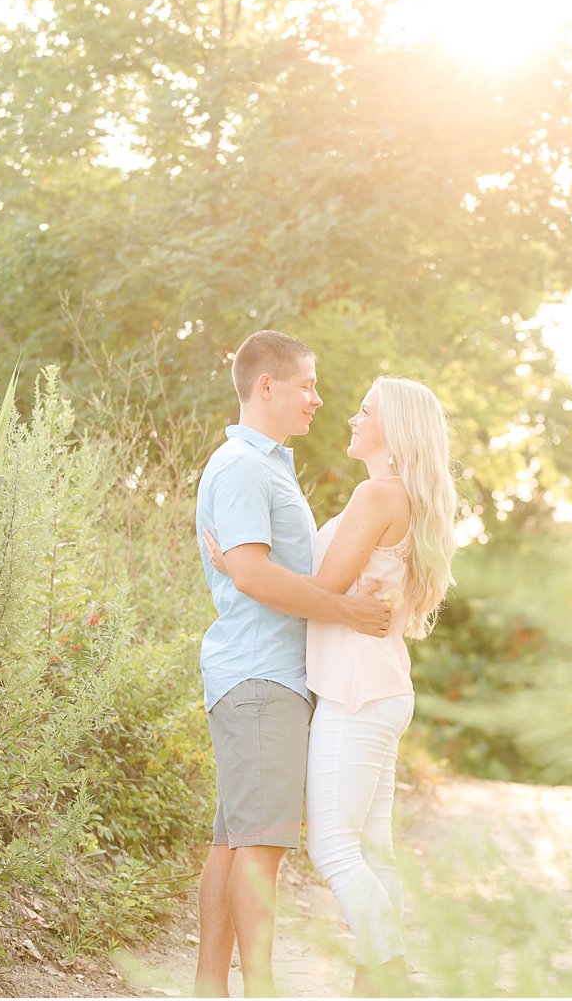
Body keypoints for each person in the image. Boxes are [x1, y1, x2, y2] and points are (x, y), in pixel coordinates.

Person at [209, 376, 458, 996]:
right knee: (373, 850)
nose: (351, 417)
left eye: (364, 410)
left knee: (334, 848)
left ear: (393, 430)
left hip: (355, 692)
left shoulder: (378, 495)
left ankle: (389, 974)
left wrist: (243, 567)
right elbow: (338, 588)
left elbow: (325, 588)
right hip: (380, 687)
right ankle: (378, 979)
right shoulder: (399, 497)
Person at [192, 330, 392, 998]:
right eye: (306, 384)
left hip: (259, 677)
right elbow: (251, 574)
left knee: (237, 842)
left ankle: (210, 988)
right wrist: (346, 613)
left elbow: (253, 567)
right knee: (262, 849)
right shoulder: (245, 466)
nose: (318, 398)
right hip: (261, 679)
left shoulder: (266, 464)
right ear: (266, 386)